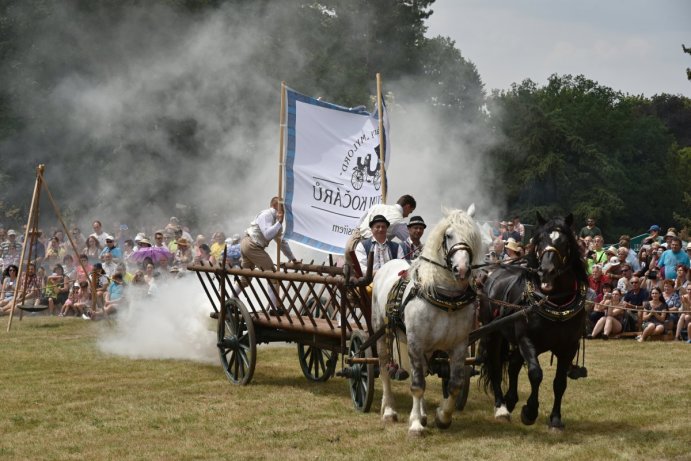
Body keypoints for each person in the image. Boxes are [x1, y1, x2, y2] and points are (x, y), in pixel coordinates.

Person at [238, 197, 298, 313]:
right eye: (282, 208)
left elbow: (282, 243)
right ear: (275, 206)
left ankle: (231, 300)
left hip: (250, 245)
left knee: (245, 279)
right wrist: (279, 223)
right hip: (252, 244)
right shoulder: (266, 215)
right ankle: (274, 308)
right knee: (272, 274)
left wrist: (292, 258)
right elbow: (267, 235)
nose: (284, 212)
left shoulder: (276, 222)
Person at [344, 194, 416, 266]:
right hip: (370, 251)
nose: (407, 215)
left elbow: (359, 223)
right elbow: (410, 242)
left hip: (352, 244)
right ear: (407, 206)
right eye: (410, 212)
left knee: (351, 273)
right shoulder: (399, 221)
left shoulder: (376, 206)